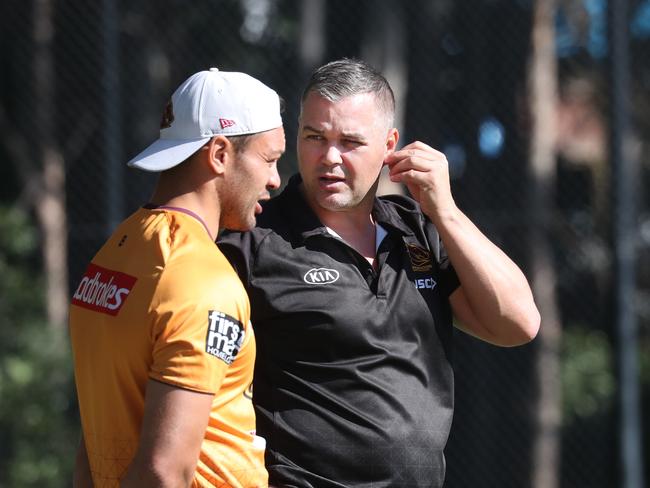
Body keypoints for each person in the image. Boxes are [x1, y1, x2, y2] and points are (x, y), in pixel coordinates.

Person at [218, 58, 540, 488]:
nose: (329, 157)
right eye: (315, 137)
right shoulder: (253, 241)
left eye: (350, 141)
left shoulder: (418, 228)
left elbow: (517, 323)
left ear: (390, 144)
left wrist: (444, 210)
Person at [69, 67, 285, 487]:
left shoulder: (113, 256)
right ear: (220, 153)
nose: (275, 180)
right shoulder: (204, 281)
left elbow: (92, 442)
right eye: (269, 159)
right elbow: (164, 472)